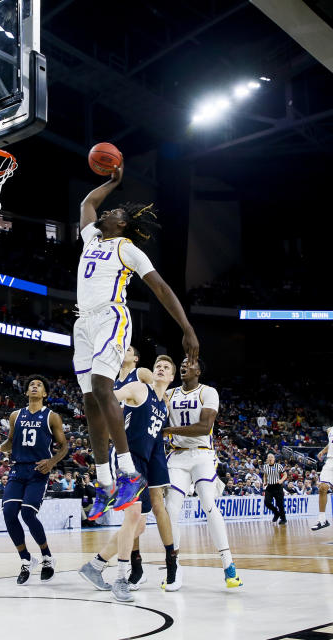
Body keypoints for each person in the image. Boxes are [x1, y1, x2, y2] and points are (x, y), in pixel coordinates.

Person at [73, 164, 199, 520]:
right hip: (83, 322)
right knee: (90, 401)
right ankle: (104, 481)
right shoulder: (92, 239)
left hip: (112, 317)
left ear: (122, 224)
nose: (106, 212)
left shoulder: (128, 249)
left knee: (101, 386)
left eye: (113, 212)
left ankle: (129, 473)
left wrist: (186, 327)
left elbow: (160, 287)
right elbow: (86, 203)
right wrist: (112, 182)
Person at [78, 355, 174, 603]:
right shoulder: (139, 388)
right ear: (152, 372)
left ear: (172, 377)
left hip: (143, 465)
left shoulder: (163, 406)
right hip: (125, 458)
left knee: (139, 526)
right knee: (132, 517)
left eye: (166, 368)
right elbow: (107, 399)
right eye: (158, 366)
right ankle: (122, 578)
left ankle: (95, 565)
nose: (161, 369)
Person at [162, 357, 240, 590]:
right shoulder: (170, 393)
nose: (185, 365)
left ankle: (228, 564)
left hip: (202, 454)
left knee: (208, 503)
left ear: (199, 371)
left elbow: (204, 427)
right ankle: (174, 568)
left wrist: (169, 430)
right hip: (177, 455)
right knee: (171, 509)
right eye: (182, 363)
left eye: (190, 363)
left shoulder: (208, 392)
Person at [0, 376, 68, 584]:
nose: (35, 387)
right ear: (27, 392)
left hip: (38, 470)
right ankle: (26, 560)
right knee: (9, 513)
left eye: (39, 385)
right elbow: (10, 442)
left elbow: (64, 446)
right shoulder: (15, 415)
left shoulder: (52, 417)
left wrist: (52, 461)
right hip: (18, 469)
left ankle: (47, 557)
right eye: (31, 385)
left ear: (45, 393)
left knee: (28, 513)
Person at [262, 453, 287, 525]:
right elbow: (265, 475)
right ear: (267, 459)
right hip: (269, 487)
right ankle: (276, 513)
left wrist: (281, 480)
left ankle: (283, 519)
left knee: (280, 504)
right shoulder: (265, 467)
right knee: (267, 502)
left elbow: (285, 474)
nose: (270, 458)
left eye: (271, 457)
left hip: (278, 486)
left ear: (274, 459)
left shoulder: (278, 466)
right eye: (269, 457)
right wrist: (265, 482)